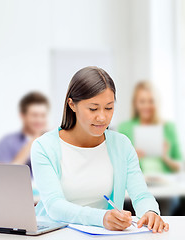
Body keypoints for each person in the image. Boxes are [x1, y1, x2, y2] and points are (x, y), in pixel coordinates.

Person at [31, 66, 169, 233]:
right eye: (93, 109)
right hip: (54, 234)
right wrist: (100, 218)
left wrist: (150, 211)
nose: (102, 117)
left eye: (109, 108)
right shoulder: (44, 147)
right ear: (72, 105)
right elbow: (54, 205)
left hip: (103, 235)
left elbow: (141, 195)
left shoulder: (121, 145)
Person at [118, 81, 182, 174]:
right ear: (135, 103)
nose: (147, 106)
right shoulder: (125, 128)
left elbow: (179, 166)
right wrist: (133, 158)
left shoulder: (169, 128)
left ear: (157, 102)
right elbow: (118, 166)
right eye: (142, 101)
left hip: (167, 184)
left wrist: (166, 158)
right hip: (138, 182)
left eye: (151, 101)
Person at [0, 92, 49, 175]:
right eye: (34, 115)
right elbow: (3, 175)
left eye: (43, 115)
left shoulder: (53, 141)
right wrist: (34, 140)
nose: (39, 120)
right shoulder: (7, 142)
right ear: (23, 116)